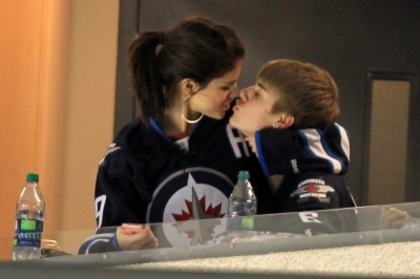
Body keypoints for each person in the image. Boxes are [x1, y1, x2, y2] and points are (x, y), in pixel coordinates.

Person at [79, 16, 274, 254]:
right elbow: (99, 246)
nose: (235, 94)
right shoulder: (128, 151)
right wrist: (120, 243)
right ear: (189, 86)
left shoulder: (240, 129)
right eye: (225, 87)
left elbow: (275, 219)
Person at [229, 59, 358, 234]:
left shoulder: (313, 182)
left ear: (282, 120)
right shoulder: (295, 169)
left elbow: (311, 249)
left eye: (258, 94)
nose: (243, 93)